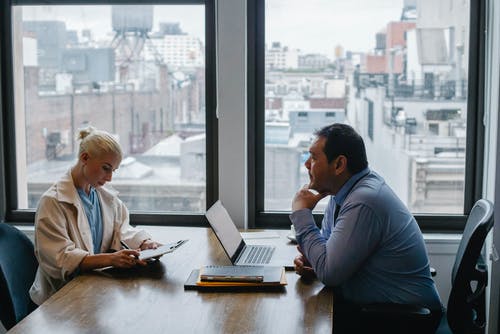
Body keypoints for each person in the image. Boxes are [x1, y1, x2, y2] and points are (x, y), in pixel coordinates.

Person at [290, 123, 442, 331]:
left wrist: (301, 213)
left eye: (314, 158)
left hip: (405, 320)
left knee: (300, 324)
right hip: (375, 310)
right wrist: (314, 261)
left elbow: (330, 273)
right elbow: (327, 253)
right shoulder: (341, 193)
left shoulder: (364, 201)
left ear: (339, 165)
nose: (307, 164)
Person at [30, 127, 160, 305]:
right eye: (106, 168)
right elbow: (60, 258)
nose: (109, 178)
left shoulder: (102, 195)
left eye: (113, 170)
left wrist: (144, 243)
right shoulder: (53, 202)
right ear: (84, 158)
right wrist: (110, 259)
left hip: (93, 291)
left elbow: (121, 229)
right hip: (59, 299)